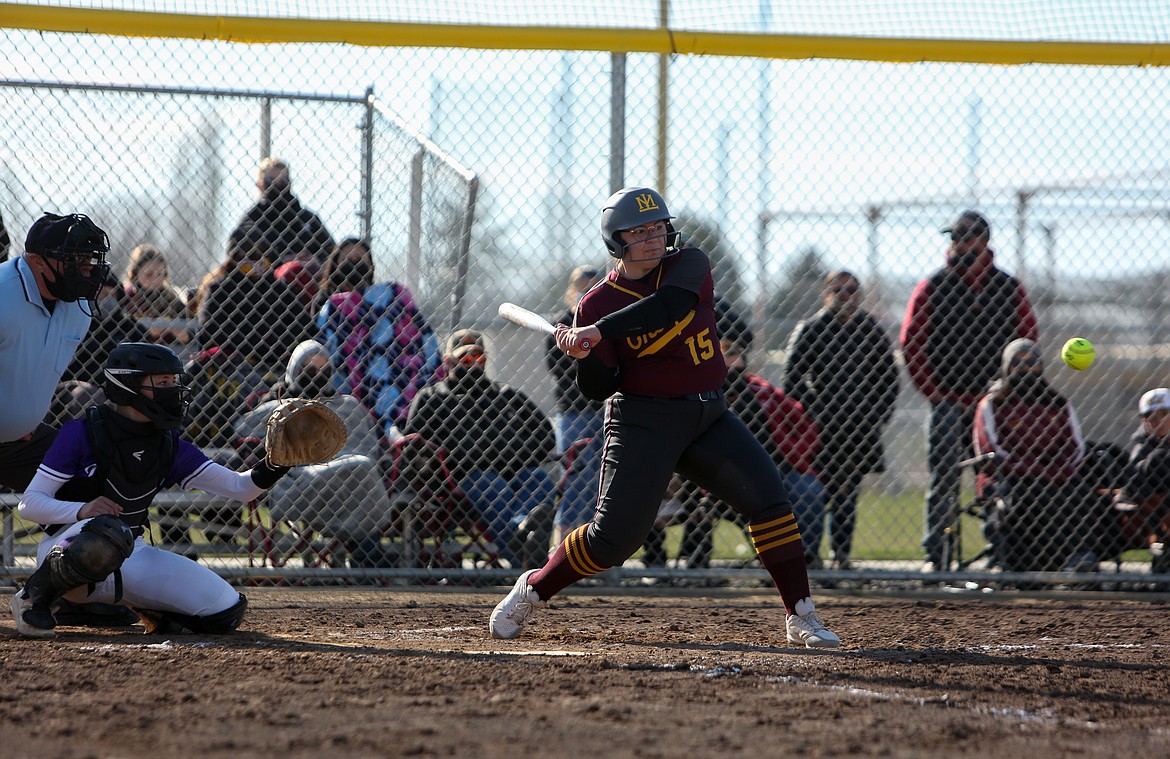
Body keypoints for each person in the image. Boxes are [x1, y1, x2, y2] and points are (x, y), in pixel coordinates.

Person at [489, 187, 839, 648]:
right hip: (642, 422)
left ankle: (800, 614)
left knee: (769, 500)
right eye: (640, 231)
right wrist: (585, 353)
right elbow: (599, 387)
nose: (655, 238)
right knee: (613, 542)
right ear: (617, 241)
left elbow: (668, 307)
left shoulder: (688, 264)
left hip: (707, 413)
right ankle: (533, 589)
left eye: (658, 227)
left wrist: (597, 331)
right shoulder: (595, 304)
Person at [10, 342, 292, 639]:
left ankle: (152, 609)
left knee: (223, 611)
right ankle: (34, 598)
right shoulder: (82, 433)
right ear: (128, 384)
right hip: (69, 547)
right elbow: (30, 504)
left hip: (132, 552)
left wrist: (277, 463)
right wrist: (82, 510)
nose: (172, 390)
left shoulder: (168, 444)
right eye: (162, 383)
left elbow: (241, 488)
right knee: (106, 532)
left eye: (173, 382)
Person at [900, 210, 1038, 571]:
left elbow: (1026, 341)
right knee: (944, 477)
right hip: (947, 400)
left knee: (1000, 477)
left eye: (964, 237)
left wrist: (1007, 391)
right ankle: (938, 556)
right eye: (953, 237)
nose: (956, 244)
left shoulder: (1008, 287)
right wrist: (935, 392)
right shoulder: (934, 285)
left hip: (995, 404)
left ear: (983, 241)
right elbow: (911, 342)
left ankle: (1001, 553)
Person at [667, 307, 826, 569]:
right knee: (700, 502)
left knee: (807, 489)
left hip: (771, 471)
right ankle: (694, 564)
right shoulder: (695, 391)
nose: (733, 361)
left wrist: (792, 456)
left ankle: (800, 560)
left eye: (737, 353)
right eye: (725, 351)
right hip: (709, 478)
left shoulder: (759, 391)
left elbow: (806, 427)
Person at [403, 329, 557, 567]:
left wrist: (517, 456)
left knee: (540, 479)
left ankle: (522, 528)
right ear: (448, 361)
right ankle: (522, 555)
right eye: (465, 358)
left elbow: (545, 434)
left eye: (479, 358)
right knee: (490, 484)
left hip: (511, 471)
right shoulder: (432, 397)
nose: (473, 364)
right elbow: (413, 444)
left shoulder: (504, 395)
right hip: (459, 479)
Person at [233, 339, 389, 566]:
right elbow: (242, 432)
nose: (317, 373)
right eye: (309, 368)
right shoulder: (280, 407)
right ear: (295, 370)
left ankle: (365, 556)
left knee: (362, 467)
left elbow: (370, 447)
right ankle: (369, 555)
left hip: (348, 487)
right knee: (362, 467)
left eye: (324, 367)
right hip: (299, 482)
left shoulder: (348, 405)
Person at [783, 271, 900, 569]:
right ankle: (810, 556)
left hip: (859, 427)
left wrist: (875, 415)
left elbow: (888, 379)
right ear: (825, 293)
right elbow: (792, 380)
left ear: (859, 295)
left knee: (847, 495)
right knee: (815, 492)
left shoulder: (869, 330)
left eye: (851, 290)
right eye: (837, 289)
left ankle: (842, 556)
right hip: (819, 429)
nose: (844, 295)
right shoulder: (811, 328)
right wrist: (813, 413)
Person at [1, 212, 110, 492]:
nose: (86, 269)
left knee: (96, 487)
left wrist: (21, 418)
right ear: (36, 261)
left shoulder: (78, 308)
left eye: (89, 260)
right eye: (75, 260)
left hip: (19, 442)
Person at [972, 339, 1086, 572]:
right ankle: (1006, 560)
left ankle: (1073, 558)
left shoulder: (1057, 403)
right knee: (1019, 493)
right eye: (1018, 362)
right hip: (1007, 476)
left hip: (1056, 477)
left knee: (1077, 491)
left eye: (1032, 362)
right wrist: (1034, 471)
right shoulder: (993, 404)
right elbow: (989, 449)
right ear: (1006, 367)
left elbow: (1076, 448)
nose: (1026, 368)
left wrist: (1054, 472)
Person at [317, 237, 441, 440]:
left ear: (370, 264)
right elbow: (327, 345)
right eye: (347, 259)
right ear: (336, 266)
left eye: (359, 258)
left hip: (396, 366)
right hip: (354, 370)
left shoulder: (393, 294)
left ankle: (397, 428)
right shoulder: (329, 306)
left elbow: (418, 331)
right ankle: (390, 431)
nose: (354, 262)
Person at [545, 265, 605, 545]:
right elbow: (557, 366)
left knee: (601, 480)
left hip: (606, 411)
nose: (587, 293)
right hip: (574, 410)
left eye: (594, 287)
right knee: (575, 477)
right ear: (572, 292)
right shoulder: (561, 325)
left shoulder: (608, 324)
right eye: (582, 287)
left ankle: (590, 547)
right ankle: (561, 547)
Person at [231, 157, 334, 271]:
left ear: (289, 184)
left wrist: (315, 261)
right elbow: (237, 255)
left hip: (308, 279)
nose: (277, 185)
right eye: (270, 180)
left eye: (283, 181)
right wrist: (281, 261)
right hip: (267, 281)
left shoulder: (306, 218)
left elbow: (331, 252)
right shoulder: (253, 219)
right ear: (260, 185)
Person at [1112, 388, 1170, 574]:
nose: (1159, 421)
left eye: (1164, 414)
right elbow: (1138, 485)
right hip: (1152, 514)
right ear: (1144, 422)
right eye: (1152, 417)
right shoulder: (1143, 448)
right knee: (1159, 459)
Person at [119, 243, 190, 345]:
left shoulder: (172, 299)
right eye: (149, 274)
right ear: (135, 273)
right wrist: (146, 331)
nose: (155, 280)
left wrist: (185, 336)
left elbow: (192, 334)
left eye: (160, 274)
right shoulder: (126, 297)